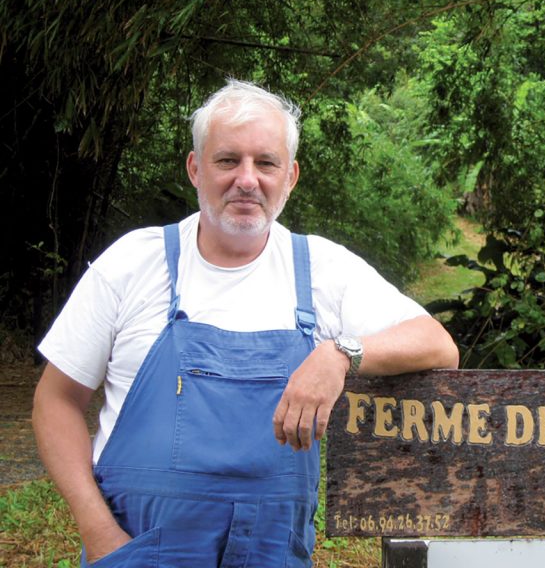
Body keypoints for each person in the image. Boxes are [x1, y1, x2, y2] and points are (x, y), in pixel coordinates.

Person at [32, 79, 459, 567]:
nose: (247, 179)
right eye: (228, 160)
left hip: (270, 552)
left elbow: (438, 344)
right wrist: (99, 532)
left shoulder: (321, 269)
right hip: (137, 549)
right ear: (196, 169)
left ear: (291, 176)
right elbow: (56, 400)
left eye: (266, 163)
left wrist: (341, 354)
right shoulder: (133, 264)